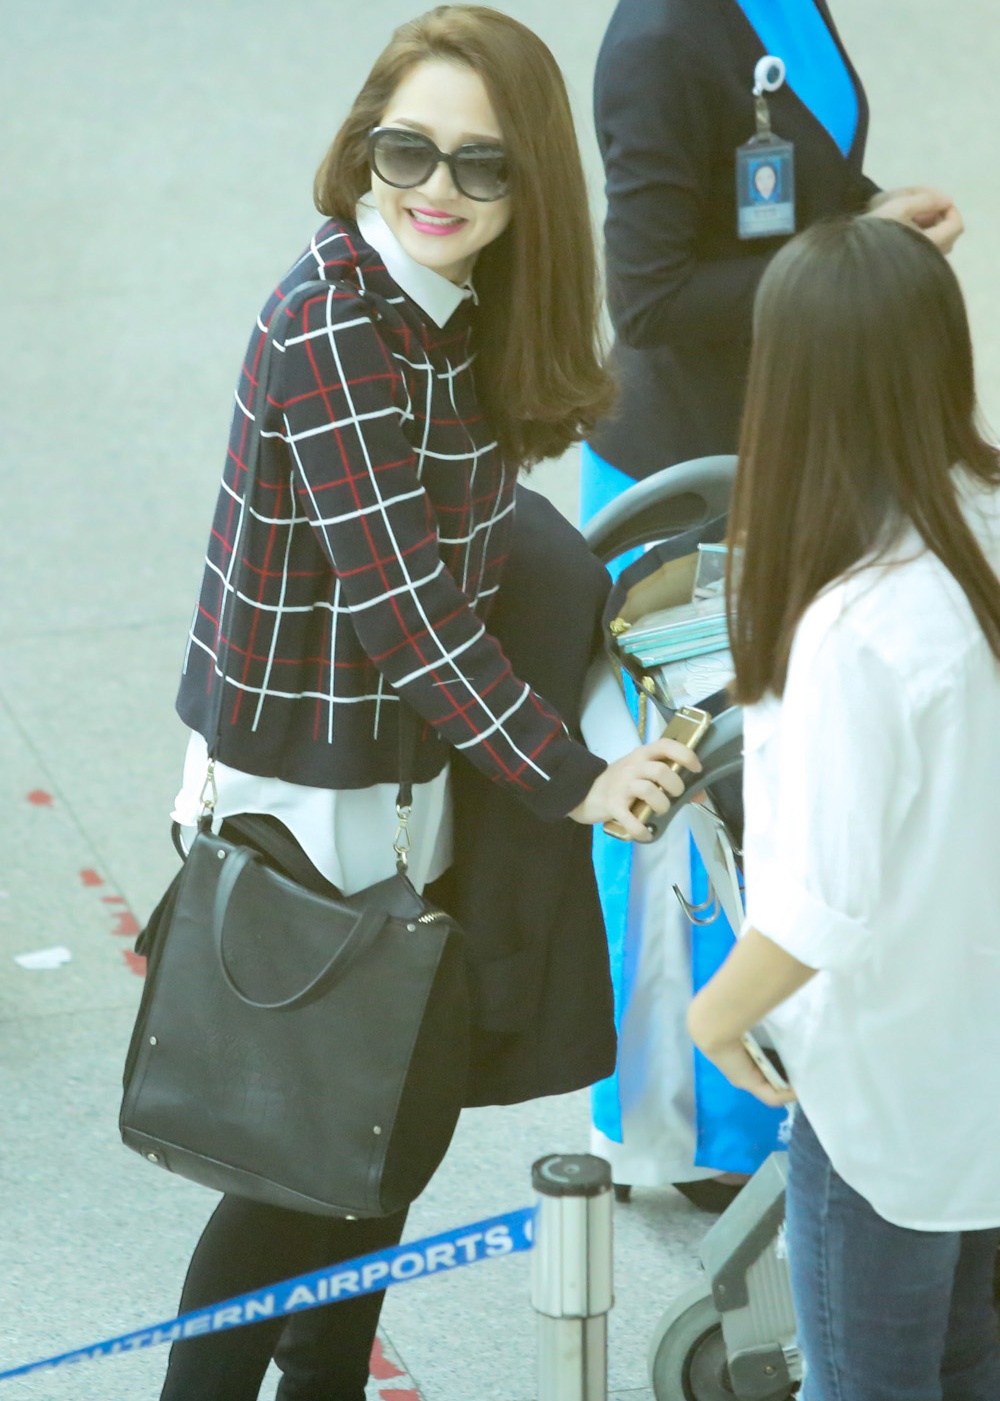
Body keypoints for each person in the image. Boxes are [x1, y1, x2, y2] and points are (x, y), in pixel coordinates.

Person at [154, 8, 702, 1399]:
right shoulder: (333, 322)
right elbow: (406, 608)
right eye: (408, 150)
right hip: (309, 793)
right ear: (363, 149)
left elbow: (475, 537)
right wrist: (575, 774)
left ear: (530, 186)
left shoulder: (444, 307)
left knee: (379, 1145)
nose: (437, 188)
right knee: (302, 1167)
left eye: (481, 163)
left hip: (395, 773)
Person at [581, 0, 965, 1210]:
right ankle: (689, 1131)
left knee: (794, 793)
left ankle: (766, 1091)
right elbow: (648, 298)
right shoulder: (655, 42)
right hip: (693, 473)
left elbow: (790, 179)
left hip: (794, 437)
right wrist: (847, 262)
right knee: (696, 807)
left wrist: (869, 217)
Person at [688, 214, 1000, 1400]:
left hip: (882, 1099)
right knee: (967, 1357)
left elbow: (820, 910)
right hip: (975, 1063)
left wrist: (713, 1018)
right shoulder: (979, 518)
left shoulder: (855, 626)